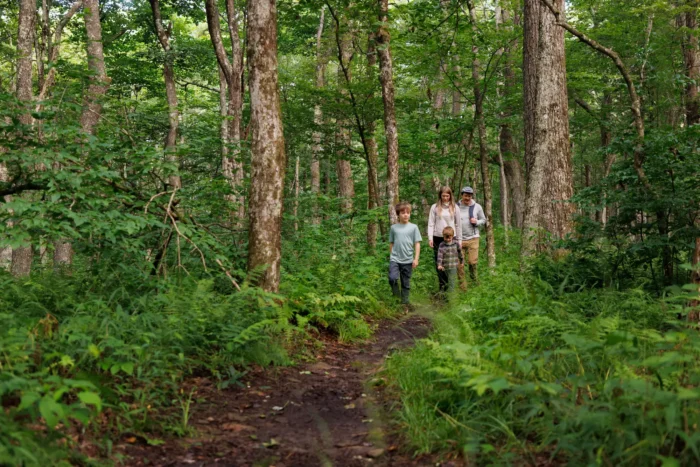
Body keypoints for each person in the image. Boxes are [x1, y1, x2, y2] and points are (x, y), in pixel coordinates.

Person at [428, 186, 461, 295]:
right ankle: (442, 288)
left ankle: (451, 290)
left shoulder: (455, 207)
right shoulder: (435, 207)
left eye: (447, 196)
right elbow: (431, 223)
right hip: (438, 237)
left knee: (450, 263)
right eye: (443, 196)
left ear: (450, 196)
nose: (445, 198)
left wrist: (459, 240)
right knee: (439, 263)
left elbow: (458, 225)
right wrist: (430, 238)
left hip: (452, 238)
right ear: (440, 196)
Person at [388, 202, 422, 310]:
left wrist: (416, 259)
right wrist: (391, 255)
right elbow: (391, 243)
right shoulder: (394, 228)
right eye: (403, 213)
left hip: (408, 259)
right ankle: (397, 298)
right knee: (392, 278)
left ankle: (405, 303)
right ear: (398, 214)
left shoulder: (414, 227)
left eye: (408, 212)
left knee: (405, 283)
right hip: (395, 259)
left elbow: (417, 243)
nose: (406, 215)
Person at [457, 186, 486, 287]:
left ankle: (474, 281)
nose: (467, 198)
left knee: (472, 262)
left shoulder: (477, 206)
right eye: (465, 196)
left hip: (473, 238)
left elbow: (484, 219)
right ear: (462, 195)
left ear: (471, 196)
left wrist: (477, 222)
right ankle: (462, 287)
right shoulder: (456, 206)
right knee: (459, 264)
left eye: (469, 196)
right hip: (459, 239)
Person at [436, 226, 463, 296]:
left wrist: (462, 261)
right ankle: (444, 296)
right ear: (443, 236)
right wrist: (439, 264)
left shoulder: (456, 243)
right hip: (444, 267)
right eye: (446, 237)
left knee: (452, 282)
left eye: (449, 237)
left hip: (453, 266)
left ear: (452, 236)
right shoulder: (442, 245)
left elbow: (460, 252)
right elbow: (440, 256)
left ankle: (451, 297)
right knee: (444, 282)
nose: (447, 239)